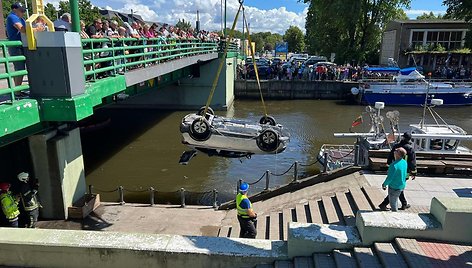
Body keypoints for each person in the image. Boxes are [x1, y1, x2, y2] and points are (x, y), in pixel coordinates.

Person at [6, 3, 44, 87]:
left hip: (22, 45)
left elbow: (27, 28)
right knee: (20, 68)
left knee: (22, 69)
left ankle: (18, 91)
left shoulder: (21, 19)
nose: (23, 12)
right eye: (21, 10)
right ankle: (17, 92)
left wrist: (36, 26)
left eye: (24, 10)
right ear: (14, 9)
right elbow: (22, 29)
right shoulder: (12, 17)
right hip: (16, 46)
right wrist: (37, 29)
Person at [379, 132, 417, 211]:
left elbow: (390, 158)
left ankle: (403, 204)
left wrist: (390, 164)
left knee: (398, 189)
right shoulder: (410, 148)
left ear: (402, 137)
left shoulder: (396, 147)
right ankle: (386, 204)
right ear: (410, 139)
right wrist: (413, 172)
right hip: (404, 172)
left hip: (395, 169)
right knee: (398, 189)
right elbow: (412, 162)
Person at [381, 147, 408, 212]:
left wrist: (384, 184)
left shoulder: (393, 165)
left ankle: (395, 216)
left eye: (396, 150)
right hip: (402, 185)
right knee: (395, 200)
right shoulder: (404, 162)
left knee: (393, 204)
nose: (394, 151)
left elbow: (390, 178)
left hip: (394, 186)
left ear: (398, 154)